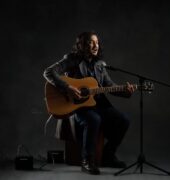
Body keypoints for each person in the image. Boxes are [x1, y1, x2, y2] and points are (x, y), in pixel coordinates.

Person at [43, 31, 135, 175]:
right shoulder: (71, 59)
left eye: (97, 42)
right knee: (94, 119)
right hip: (80, 107)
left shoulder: (100, 65)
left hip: (99, 105)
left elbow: (110, 86)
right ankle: (87, 161)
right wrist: (68, 88)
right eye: (91, 42)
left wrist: (126, 91)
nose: (95, 45)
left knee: (124, 121)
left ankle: (108, 156)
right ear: (80, 45)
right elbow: (48, 72)